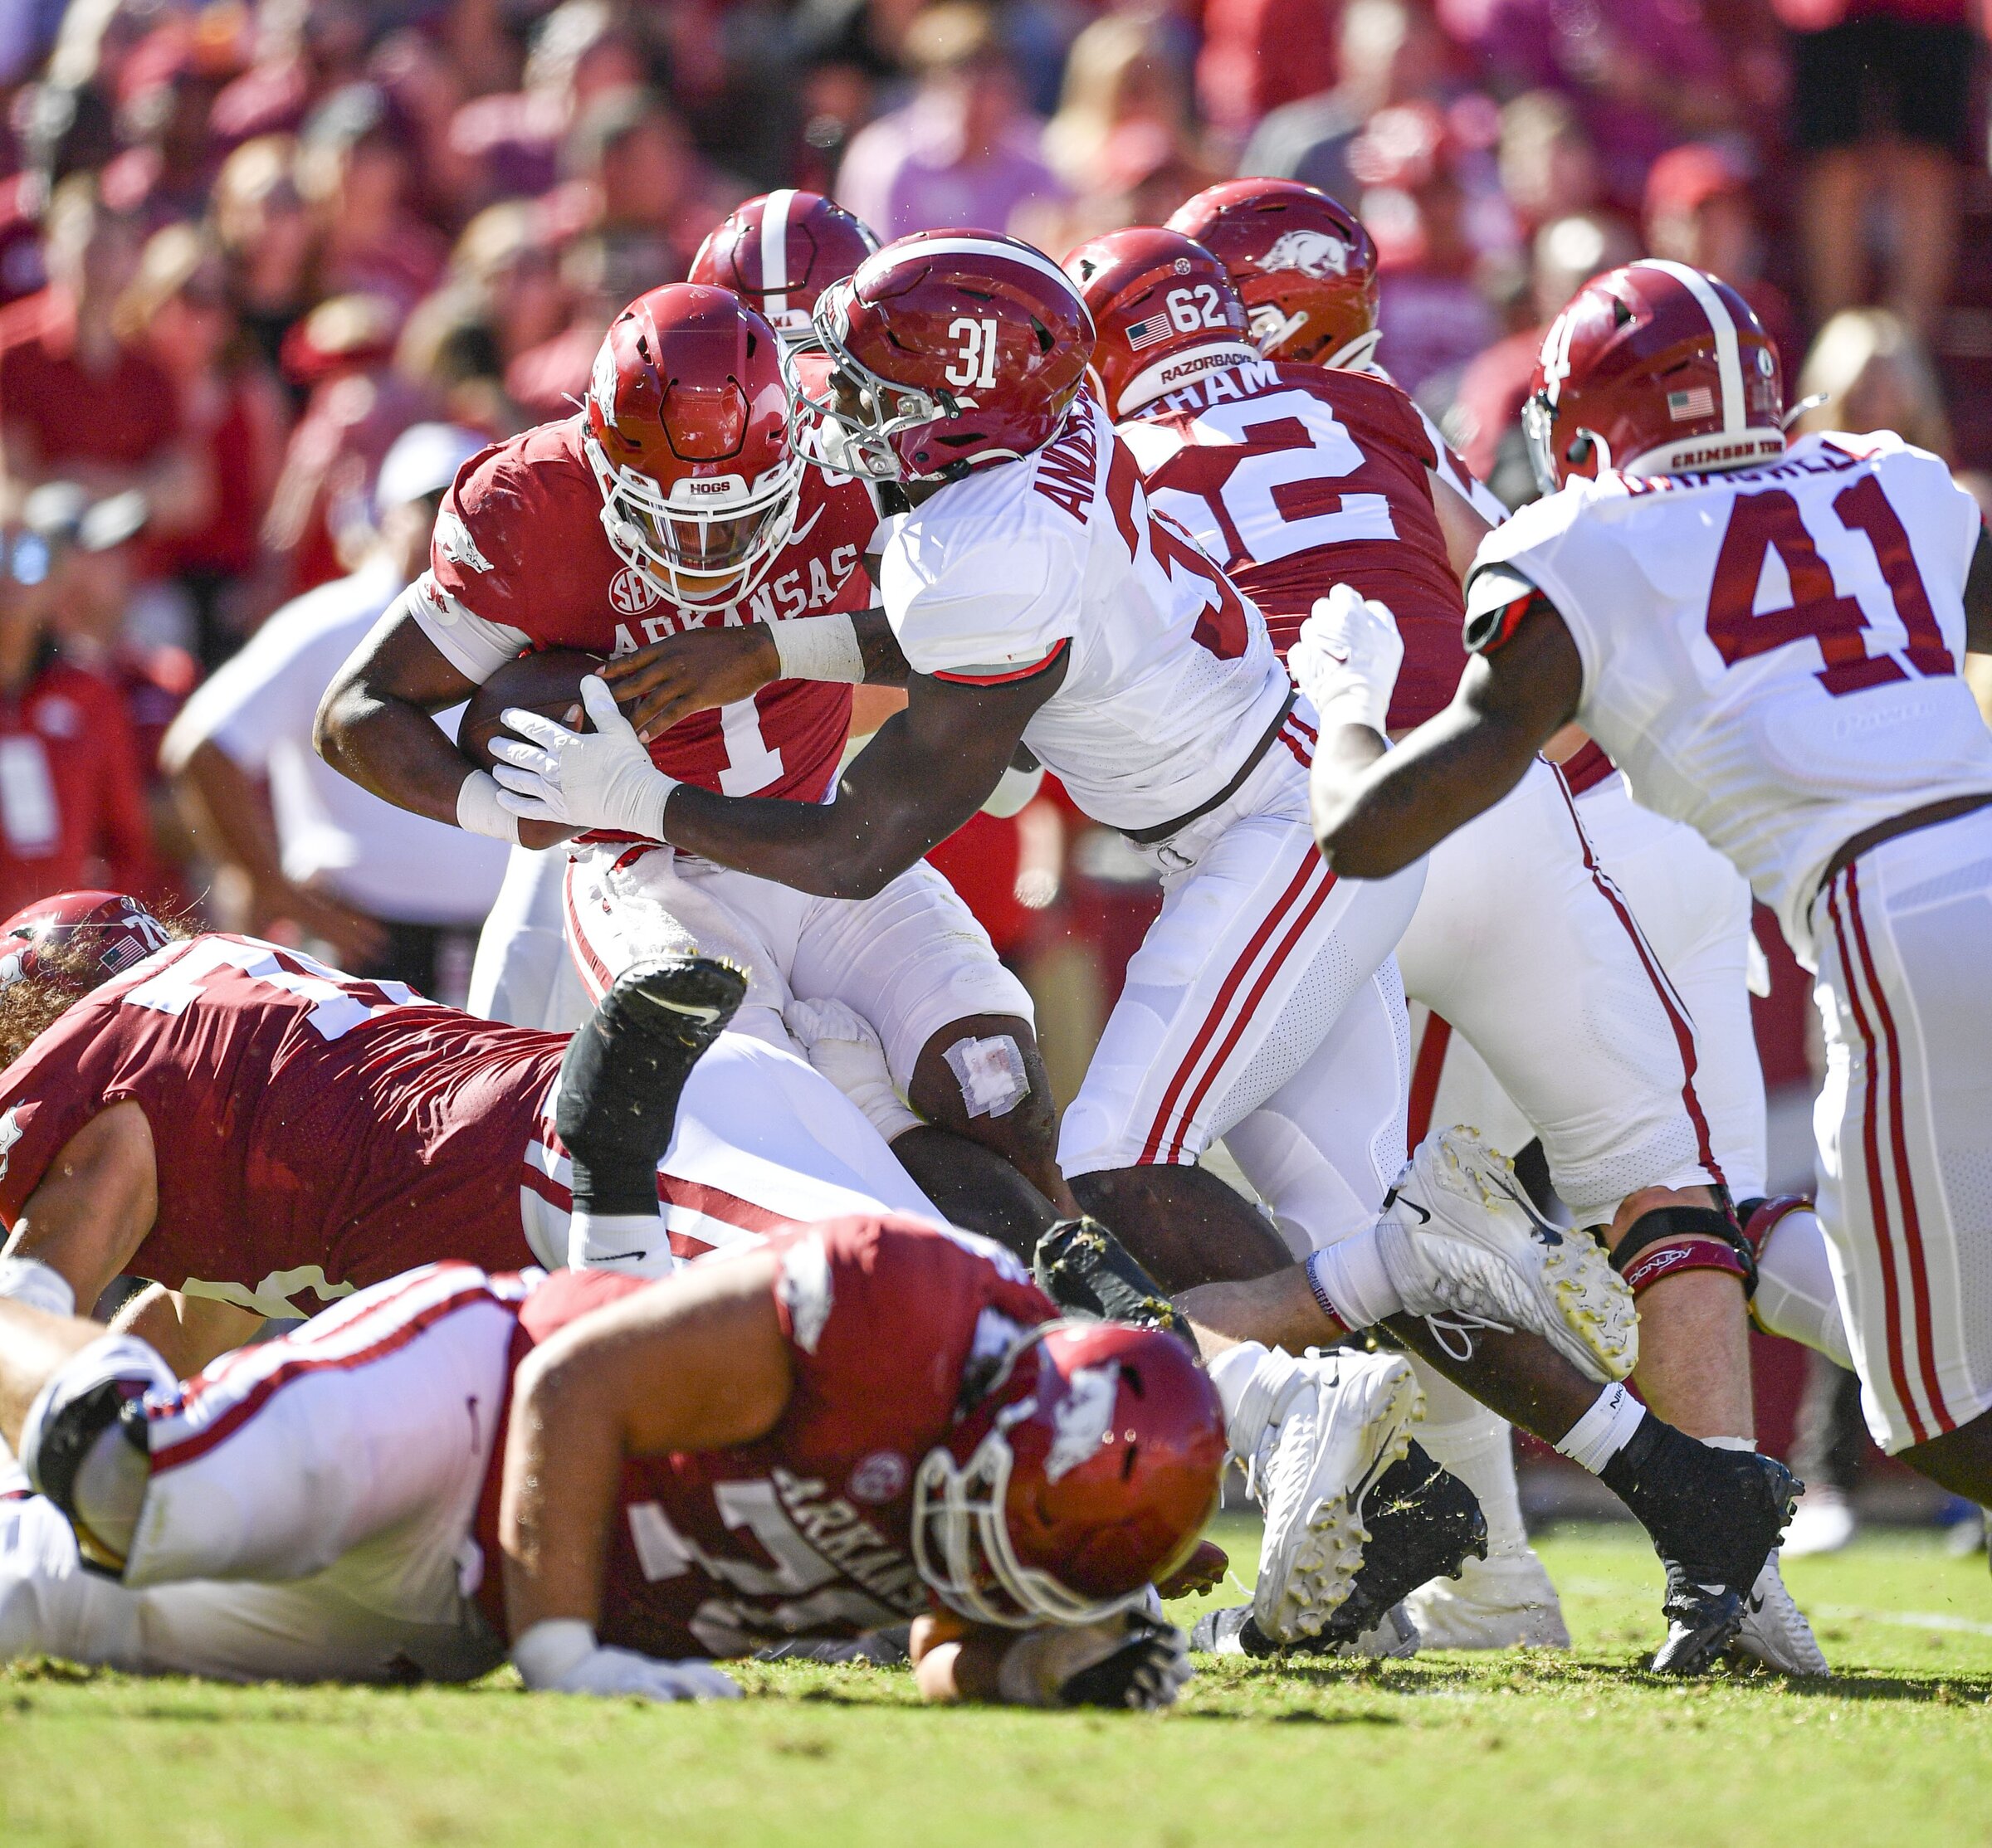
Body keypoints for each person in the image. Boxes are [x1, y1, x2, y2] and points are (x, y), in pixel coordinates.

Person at [1065, 206, 1822, 1674]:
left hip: (1320, 823)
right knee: (1663, 1195)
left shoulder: (1104, 471)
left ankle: (1465, 1571)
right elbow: (1506, 579)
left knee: (1376, 1225)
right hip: (1512, 801)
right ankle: (1727, 1577)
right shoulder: (1363, 403)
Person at [1308, 257, 1992, 1508]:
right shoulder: (1895, 479)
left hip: (1892, 918)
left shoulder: (1582, 541)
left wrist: (1343, 701)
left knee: (1935, 1413)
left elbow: (1373, 829)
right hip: (1959, 861)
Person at [315, 282, 1067, 1236]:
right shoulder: (536, 508)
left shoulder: (849, 459)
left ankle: (1103, 1334)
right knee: (775, 1153)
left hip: (815, 821)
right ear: (600, 462)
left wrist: (773, 649)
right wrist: (514, 814)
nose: (707, 552)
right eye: (673, 519)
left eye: (737, 518)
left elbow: (970, 627)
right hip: (650, 875)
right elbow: (355, 711)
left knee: (1000, 1091)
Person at [0, 1215, 1222, 1706]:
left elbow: (944, 1646)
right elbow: (572, 1384)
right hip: (475, 1402)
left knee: (40, 1593)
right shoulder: (894, 1305)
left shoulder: (1049, 1503)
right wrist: (564, 1650)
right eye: (977, 1517)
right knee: (147, 1487)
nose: (961, 1558)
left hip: (476, 1596)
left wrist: (1045, 1664)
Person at [163, 423, 508, 999]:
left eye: (476, 509)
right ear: (389, 514)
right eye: (436, 505)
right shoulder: (331, 623)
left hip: (483, 944)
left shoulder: (507, 632)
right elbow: (200, 745)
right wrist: (274, 888)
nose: (455, 527)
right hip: (361, 946)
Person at [0, 510, 157, 918]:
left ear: (55, 583)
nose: (11, 578)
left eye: (28, 558)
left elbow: (127, 842)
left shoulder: (91, 695)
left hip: (61, 950)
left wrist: (97, 931)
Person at [833, 2, 1065, 241]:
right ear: (933, 83)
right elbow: (878, 263)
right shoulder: (887, 159)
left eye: (996, 80)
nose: (988, 97)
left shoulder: (1034, 156)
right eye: (970, 78)